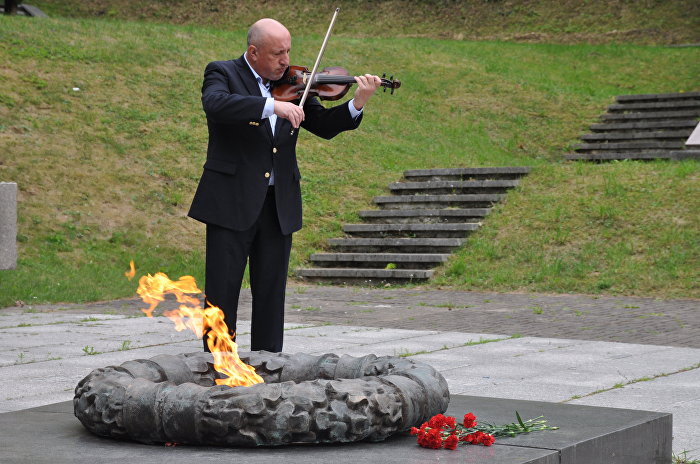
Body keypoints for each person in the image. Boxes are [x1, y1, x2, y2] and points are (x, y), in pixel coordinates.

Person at [188, 18, 382, 352]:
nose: (286, 60)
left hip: (278, 203)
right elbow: (216, 104)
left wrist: (357, 102)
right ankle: (218, 368)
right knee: (222, 291)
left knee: (271, 291)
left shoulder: (296, 83)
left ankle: (268, 364)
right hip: (231, 200)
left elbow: (322, 125)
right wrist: (271, 105)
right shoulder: (223, 72)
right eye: (278, 53)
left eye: (288, 50)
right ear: (253, 51)